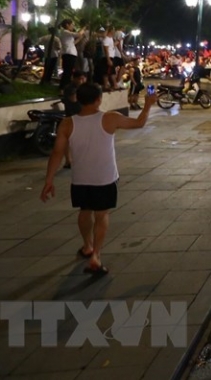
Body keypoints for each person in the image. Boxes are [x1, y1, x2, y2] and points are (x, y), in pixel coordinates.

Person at [40, 82, 157, 276]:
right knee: (102, 215)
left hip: (80, 178)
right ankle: (96, 255)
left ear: (77, 98)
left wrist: (49, 180)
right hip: (105, 177)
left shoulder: (68, 123)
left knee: (84, 211)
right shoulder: (110, 118)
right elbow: (139, 123)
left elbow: (57, 152)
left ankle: (87, 246)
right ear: (98, 99)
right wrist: (148, 104)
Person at [57, 19, 85, 89]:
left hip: (70, 54)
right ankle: (63, 88)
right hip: (69, 54)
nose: (73, 26)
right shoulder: (65, 32)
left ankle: (65, 87)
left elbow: (73, 43)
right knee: (67, 72)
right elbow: (78, 34)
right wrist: (84, 27)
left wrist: (80, 38)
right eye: (72, 25)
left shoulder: (66, 34)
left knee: (69, 71)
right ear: (67, 25)